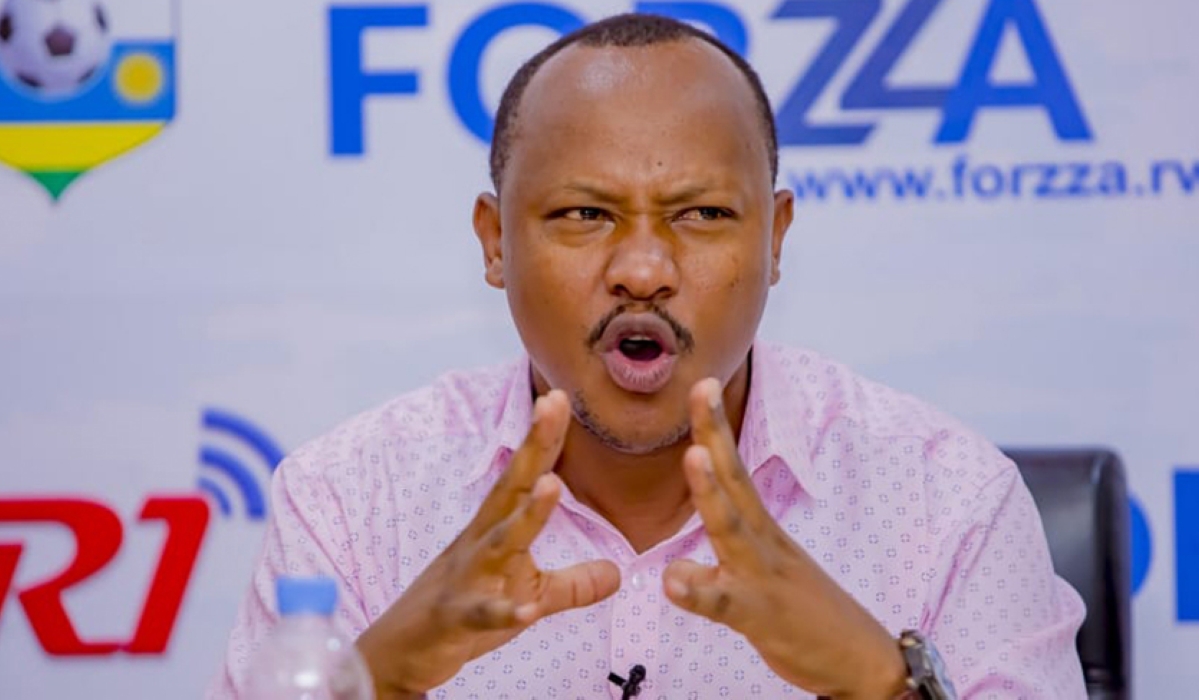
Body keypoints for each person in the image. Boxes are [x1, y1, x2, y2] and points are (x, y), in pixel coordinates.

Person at [209, 13, 1086, 700]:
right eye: (583, 215)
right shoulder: (348, 502)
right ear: (493, 243)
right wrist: (381, 680)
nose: (641, 271)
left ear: (776, 238)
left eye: (700, 214)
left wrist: (877, 683)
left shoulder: (949, 502)